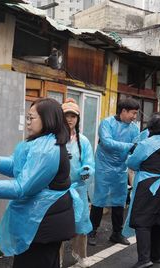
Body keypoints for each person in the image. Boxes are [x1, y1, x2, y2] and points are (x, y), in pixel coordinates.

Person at [0, 98, 76, 268]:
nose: (28, 122)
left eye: (31, 118)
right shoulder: (42, 142)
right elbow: (18, 166)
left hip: (44, 223)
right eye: (27, 117)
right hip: (46, 220)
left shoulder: (47, 149)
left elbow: (23, 186)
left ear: (47, 119)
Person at [124, 114, 160, 268]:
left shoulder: (146, 144)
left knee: (142, 221)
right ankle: (157, 257)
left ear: (151, 129)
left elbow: (133, 163)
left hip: (150, 185)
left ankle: (144, 259)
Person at [89, 98, 140, 246]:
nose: (135, 117)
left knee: (120, 200)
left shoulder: (134, 128)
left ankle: (117, 233)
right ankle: (92, 231)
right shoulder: (107, 123)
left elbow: (136, 147)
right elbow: (106, 142)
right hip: (103, 166)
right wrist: (130, 146)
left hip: (121, 167)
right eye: (133, 113)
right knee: (99, 199)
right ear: (124, 111)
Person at [61, 99, 95, 267]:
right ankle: (56, 260)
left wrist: (86, 172)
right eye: (66, 115)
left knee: (80, 223)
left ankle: (81, 255)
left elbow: (89, 162)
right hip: (57, 189)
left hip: (78, 189)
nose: (70, 119)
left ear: (78, 118)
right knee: (57, 226)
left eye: (73, 116)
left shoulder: (84, 141)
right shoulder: (54, 139)